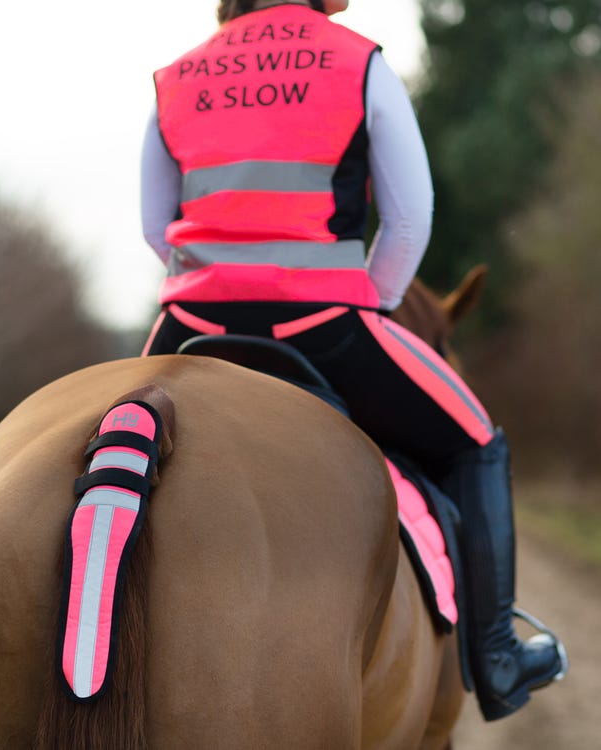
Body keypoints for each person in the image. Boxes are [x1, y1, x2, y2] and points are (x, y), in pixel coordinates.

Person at [140, 0, 565, 721]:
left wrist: (215, 281)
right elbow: (409, 218)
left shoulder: (177, 76)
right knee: (478, 441)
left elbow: (157, 227)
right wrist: (374, 300)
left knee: (100, 449)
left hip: (187, 326)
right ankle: (496, 657)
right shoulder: (357, 60)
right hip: (321, 325)